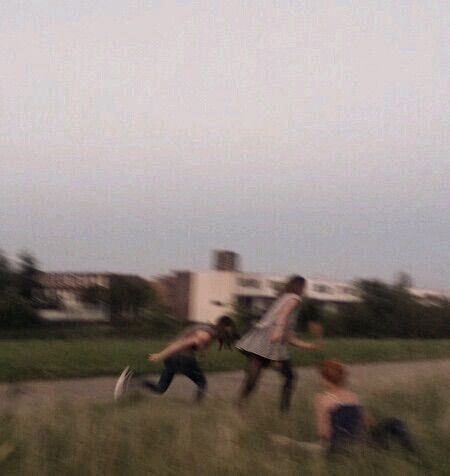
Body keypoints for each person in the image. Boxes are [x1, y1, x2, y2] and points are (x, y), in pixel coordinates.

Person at [271, 360, 415, 456]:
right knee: (395, 423)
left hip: (339, 448)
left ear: (325, 379)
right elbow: (370, 423)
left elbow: (323, 433)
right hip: (362, 443)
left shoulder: (321, 399)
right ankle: (412, 453)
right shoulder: (353, 396)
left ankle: (282, 442)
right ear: (342, 378)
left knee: (298, 446)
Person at [236, 275, 322, 412]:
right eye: (304, 286)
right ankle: (284, 411)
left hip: (259, 337)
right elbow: (282, 316)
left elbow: (288, 337)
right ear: (300, 287)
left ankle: (239, 406)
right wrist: (277, 330)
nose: (305, 290)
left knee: (253, 377)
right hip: (270, 339)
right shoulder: (295, 298)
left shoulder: (282, 298)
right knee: (290, 377)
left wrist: (309, 346)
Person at [141, 316, 239, 402]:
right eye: (228, 332)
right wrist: (161, 355)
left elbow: (193, 340)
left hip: (172, 358)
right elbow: (181, 344)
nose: (228, 336)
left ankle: (139, 384)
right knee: (201, 382)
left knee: (160, 388)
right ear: (224, 328)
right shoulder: (205, 335)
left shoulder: (207, 329)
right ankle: (196, 408)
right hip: (181, 358)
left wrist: (203, 350)